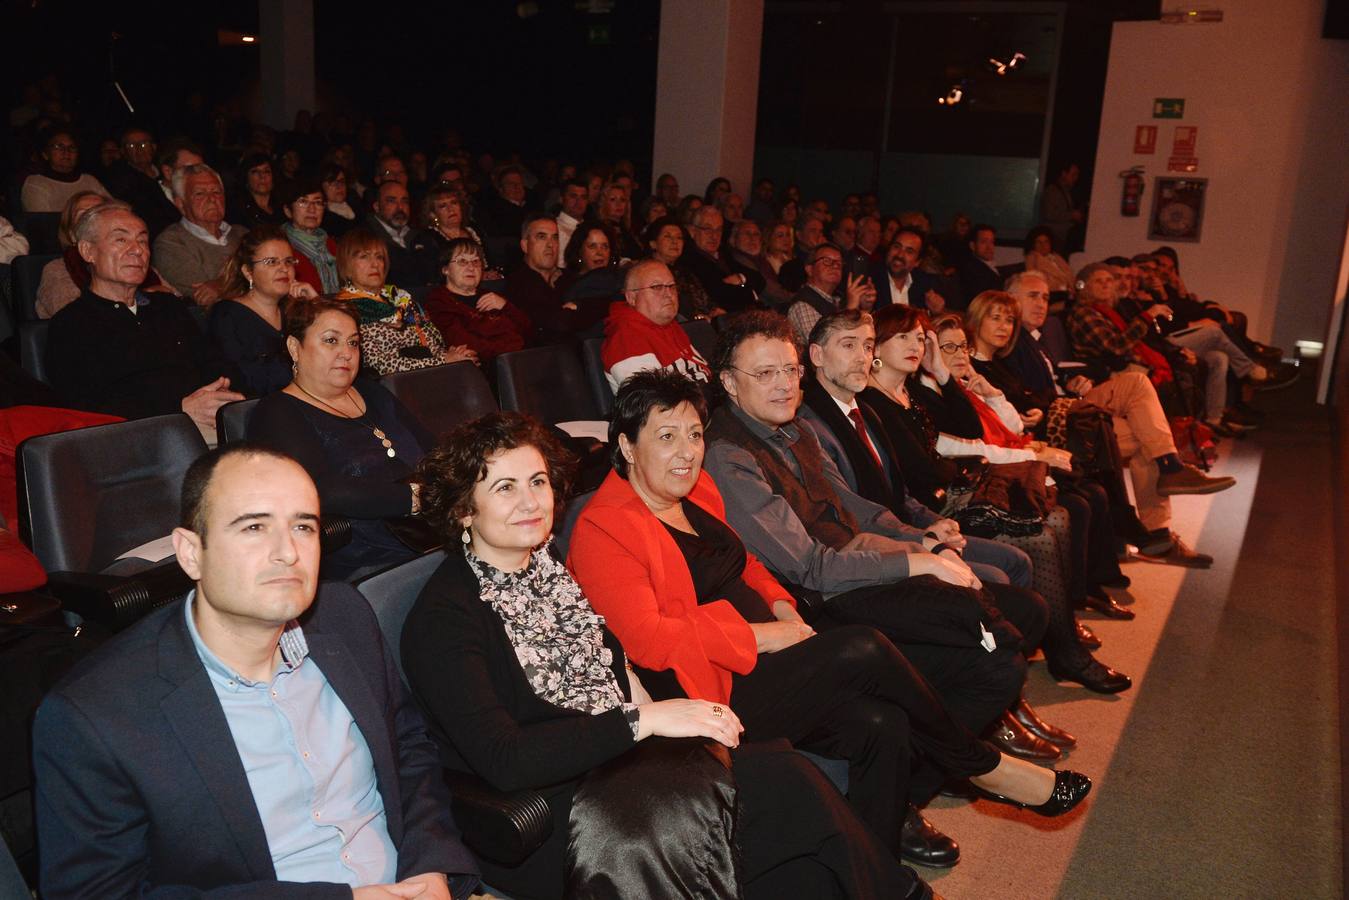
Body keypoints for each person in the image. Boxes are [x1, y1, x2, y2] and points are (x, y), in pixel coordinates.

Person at [571, 370, 1091, 869]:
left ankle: (877, 874)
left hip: (774, 653)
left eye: (693, 434)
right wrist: (768, 635)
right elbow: (650, 641)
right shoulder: (604, 528)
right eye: (666, 436)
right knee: (861, 645)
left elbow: (746, 564)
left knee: (880, 725)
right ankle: (979, 766)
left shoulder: (697, 491)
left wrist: (781, 607)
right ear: (625, 446)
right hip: (708, 687)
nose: (686, 451)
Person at [405, 411, 933, 900]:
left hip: (622, 765)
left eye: (538, 482)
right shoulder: (445, 618)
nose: (531, 502)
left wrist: (675, 726)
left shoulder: (543, 564)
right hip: (568, 815)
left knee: (796, 826)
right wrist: (649, 719)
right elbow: (506, 760)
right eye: (505, 488)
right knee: (790, 787)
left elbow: (611, 666)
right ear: (461, 510)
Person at [33, 444, 480, 897]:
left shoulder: (346, 618)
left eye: (303, 526)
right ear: (191, 552)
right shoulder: (93, 716)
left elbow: (408, 750)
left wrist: (430, 864)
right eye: (253, 527)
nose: (288, 552)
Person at [794, 309, 1085, 750]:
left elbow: (898, 489)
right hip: (869, 550)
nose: (861, 357)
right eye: (848, 345)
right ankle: (994, 707)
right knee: (1002, 577)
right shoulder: (812, 424)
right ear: (816, 355)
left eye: (867, 345)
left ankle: (1006, 700)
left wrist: (932, 522)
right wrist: (922, 538)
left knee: (1017, 563)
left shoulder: (862, 409)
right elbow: (855, 512)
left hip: (908, 523)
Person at [1003, 270, 1231, 565]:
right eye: (1033, 295)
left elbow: (1048, 378)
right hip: (1059, 423)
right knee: (1136, 384)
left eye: (1046, 297)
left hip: (1071, 405)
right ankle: (1170, 468)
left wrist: (1071, 380)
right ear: (1011, 300)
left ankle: (1158, 535)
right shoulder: (1012, 338)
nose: (1042, 303)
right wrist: (1065, 392)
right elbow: (1026, 394)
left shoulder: (1036, 337)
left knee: (1145, 438)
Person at [248, 297, 433, 578]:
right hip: (362, 553)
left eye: (353, 343)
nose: (346, 353)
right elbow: (321, 490)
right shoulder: (277, 412)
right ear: (294, 348)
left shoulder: (373, 392)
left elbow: (433, 450)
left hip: (429, 531)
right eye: (331, 341)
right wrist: (418, 497)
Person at [46, 202, 244, 436]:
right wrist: (178, 409)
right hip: (142, 436)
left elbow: (214, 362)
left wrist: (228, 395)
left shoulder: (169, 307)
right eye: (121, 240)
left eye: (142, 240)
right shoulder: (70, 325)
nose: (137, 250)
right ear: (88, 251)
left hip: (211, 420)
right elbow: (86, 408)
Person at [333, 228, 471, 374]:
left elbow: (432, 340)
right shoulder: (346, 309)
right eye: (364, 257)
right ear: (346, 266)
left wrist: (454, 355)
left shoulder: (399, 297)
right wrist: (442, 361)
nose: (375, 264)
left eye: (379, 257)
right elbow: (379, 364)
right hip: (395, 385)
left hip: (431, 373)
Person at [209, 224, 318, 396]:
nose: (284, 268)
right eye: (271, 262)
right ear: (248, 272)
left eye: (288, 261)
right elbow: (243, 381)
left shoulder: (296, 311)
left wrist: (315, 304)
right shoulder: (227, 315)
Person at [603, 260, 711, 393]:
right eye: (657, 287)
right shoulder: (626, 339)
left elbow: (702, 372)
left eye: (671, 286)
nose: (669, 294)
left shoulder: (668, 324)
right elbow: (657, 406)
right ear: (632, 298)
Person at [422, 237, 531, 365]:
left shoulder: (491, 296)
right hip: (481, 371)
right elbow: (465, 344)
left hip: (517, 362)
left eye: (476, 261)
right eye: (462, 261)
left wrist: (506, 306)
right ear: (445, 269)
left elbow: (528, 330)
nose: (471, 267)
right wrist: (513, 347)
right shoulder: (438, 301)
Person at [154, 163, 245, 306]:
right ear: (180, 204)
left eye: (216, 192)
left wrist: (220, 284)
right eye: (200, 193)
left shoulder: (242, 233)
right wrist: (250, 277)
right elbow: (207, 300)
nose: (211, 199)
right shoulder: (170, 243)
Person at [786, 243, 874, 344]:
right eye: (826, 261)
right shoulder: (802, 305)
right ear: (809, 269)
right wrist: (852, 308)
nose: (835, 266)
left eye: (839, 263)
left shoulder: (839, 300)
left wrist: (865, 308)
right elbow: (824, 347)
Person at [684, 206, 758, 314]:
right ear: (692, 231)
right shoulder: (690, 259)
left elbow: (759, 279)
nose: (714, 236)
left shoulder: (724, 254)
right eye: (707, 229)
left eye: (718, 229)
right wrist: (747, 290)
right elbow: (719, 295)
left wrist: (740, 278)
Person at [365, 180, 436, 290]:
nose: (400, 208)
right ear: (377, 206)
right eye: (391, 201)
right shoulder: (366, 238)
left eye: (405, 201)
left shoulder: (422, 237)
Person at [20, 129, 107, 213]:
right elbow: (42, 222)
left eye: (72, 147)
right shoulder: (36, 183)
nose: (66, 152)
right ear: (45, 154)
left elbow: (111, 206)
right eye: (59, 146)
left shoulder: (89, 181)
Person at [280, 178, 340, 294]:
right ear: (288, 210)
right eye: (303, 201)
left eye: (318, 203)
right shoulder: (281, 245)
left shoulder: (331, 244)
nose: (312, 209)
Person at [873, 227, 948, 312]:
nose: (900, 255)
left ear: (917, 262)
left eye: (909, 251)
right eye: (896, 247)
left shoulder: (924, 285)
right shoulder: (872, 279)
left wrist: (936, 312)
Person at [956, 224, 1003, 309]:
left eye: (992, 242)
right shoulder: (970, 270)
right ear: (972, 246)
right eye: (984, 242)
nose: (989, 247)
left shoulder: (992, 267)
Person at [234, 152, 283, 227]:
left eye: (267, 171)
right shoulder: (238, 210)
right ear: (246, 178)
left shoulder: (282, 208)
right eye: (255, 171)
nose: (262, 176)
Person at [1022, 226, 1073, 297]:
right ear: (1033, 244)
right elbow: (1040, 283)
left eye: (1046, 241)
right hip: (1052, 296)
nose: (1043, 245)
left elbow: (1069, 276)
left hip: (1068, 294)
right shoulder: (1033, 259)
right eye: (1039, 242)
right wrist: (1065, 288)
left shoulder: (1056, 257)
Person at [554, 176, 589, 267]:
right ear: (562, 199)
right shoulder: (554, 228)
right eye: (573, 196)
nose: (579, 202)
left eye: (583, 197)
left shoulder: (591, 227)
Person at [318, 162, 357, 237]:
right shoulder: (322, 218)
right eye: (332, 182)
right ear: (321, 187)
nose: (339, 186)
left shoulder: (356, 206)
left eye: (342, 181)